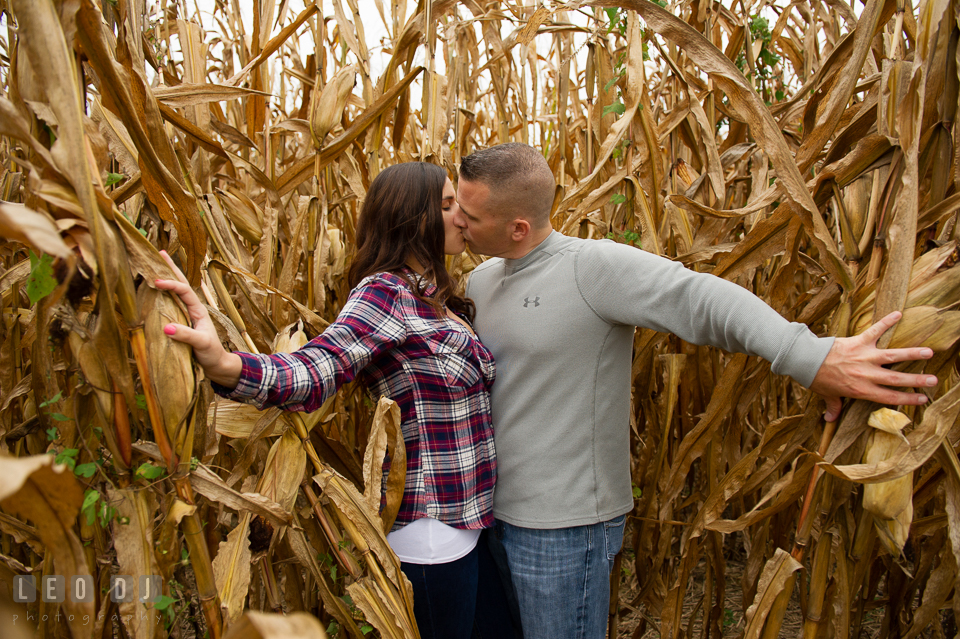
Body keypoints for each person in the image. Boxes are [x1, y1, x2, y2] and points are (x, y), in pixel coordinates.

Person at [451, 142, 939, 639]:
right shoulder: (482, 281)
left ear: (518, 227)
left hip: (564, 528)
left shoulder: (591, 269)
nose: (456, 223)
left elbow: (702, 299)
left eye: (467, 214)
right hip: (490, 515)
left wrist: (810, 359)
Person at [156, 162, 512, 639]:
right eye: (448, 206)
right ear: (411, 218)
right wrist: (224, 364)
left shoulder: (437, 298)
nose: (462, 217)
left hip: (470, 520)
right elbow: (316, 368)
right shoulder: (386, 292)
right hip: (431, 529)